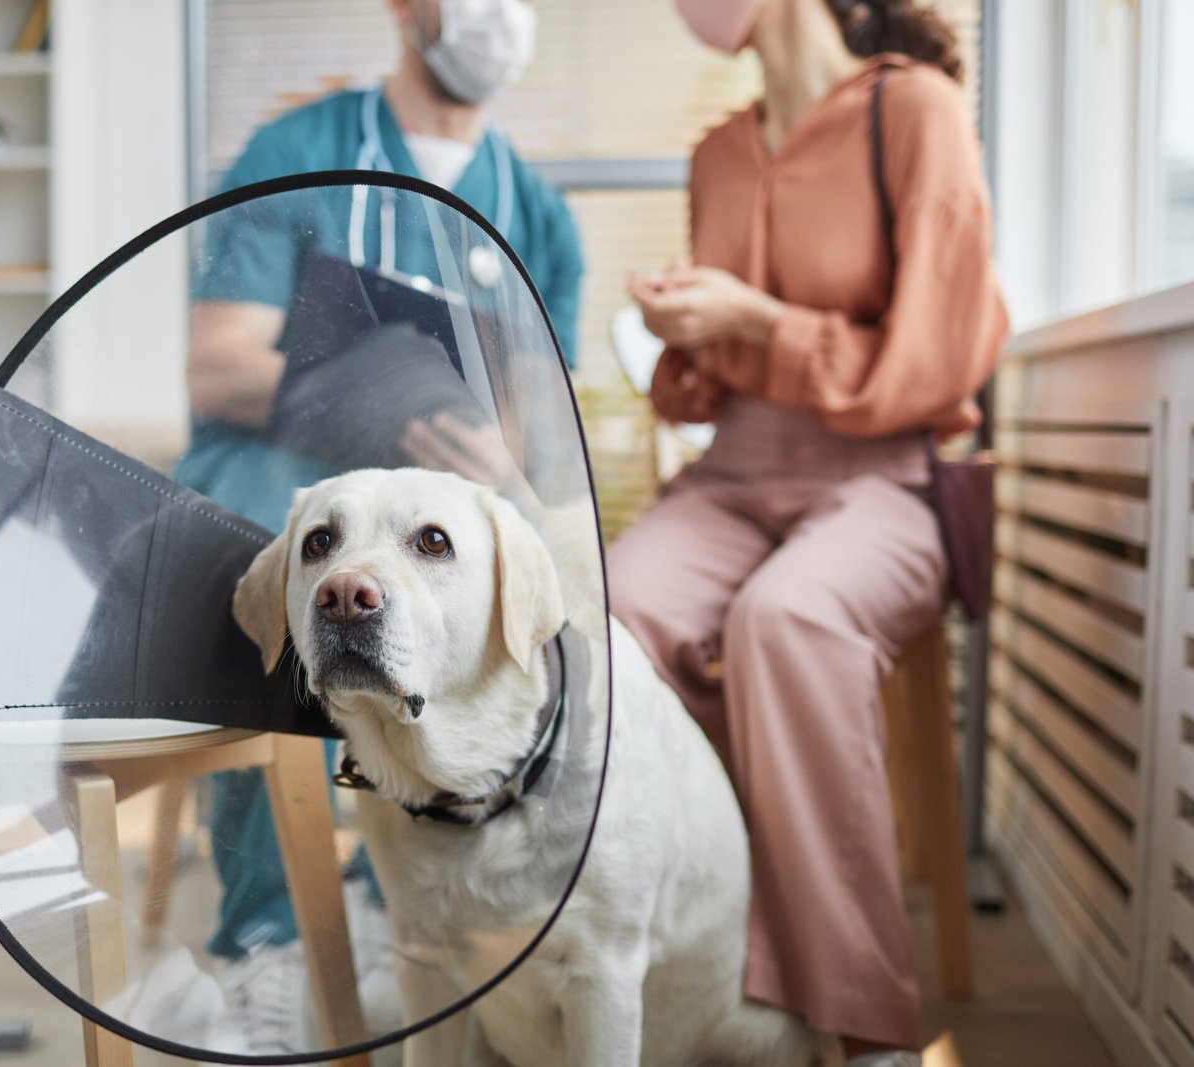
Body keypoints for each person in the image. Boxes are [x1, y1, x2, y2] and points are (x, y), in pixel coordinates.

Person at [173, 0, 584, 1049]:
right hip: (279, 472)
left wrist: (499, 462)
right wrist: (382, 403)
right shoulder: (297, 151)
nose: (501, 18)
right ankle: (269, 938)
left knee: (520, 558)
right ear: (408, 11)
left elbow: (545, 434)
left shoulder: (536, 215)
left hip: (448, 502)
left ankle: (390, 897)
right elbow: (220, 362)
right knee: (272, 557)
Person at [606, 1, 1007, 1065]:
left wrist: (756, 319)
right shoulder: (717, 153)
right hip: (736, 471)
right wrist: (685, 329)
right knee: (609, 614)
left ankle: (866, 1027)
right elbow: (704, 391)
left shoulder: (914, 113)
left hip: (884, 474)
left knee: (785, 618)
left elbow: (940, 358)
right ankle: (709, 975)